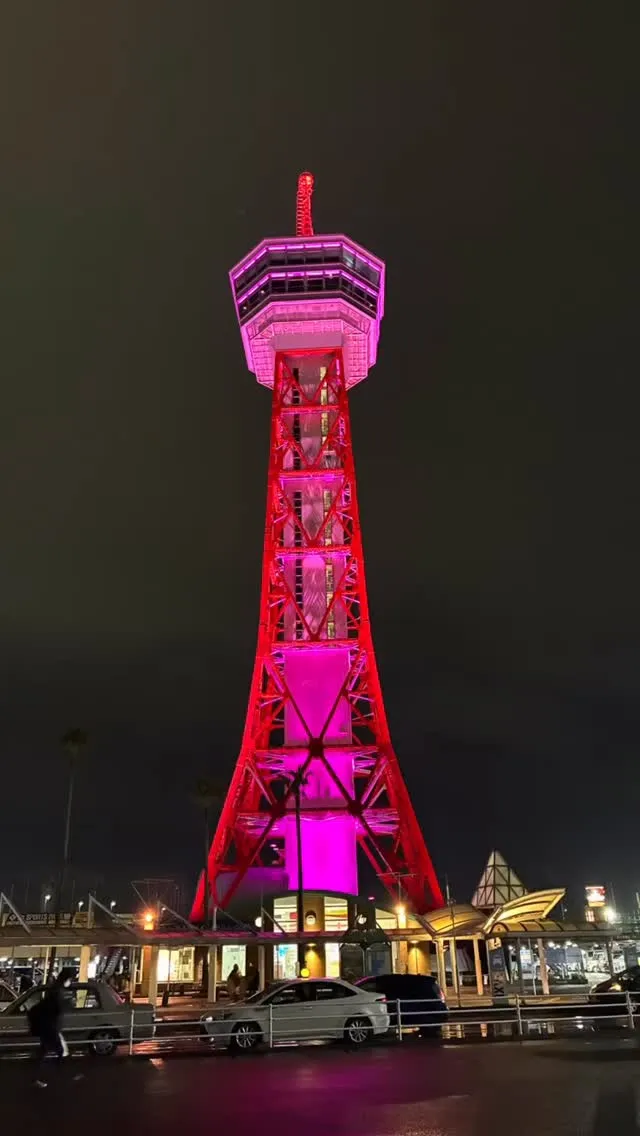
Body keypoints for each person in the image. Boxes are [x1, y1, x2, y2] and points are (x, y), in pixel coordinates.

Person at [28, 968, 73, 1087]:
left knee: (44, 1051)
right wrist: (67, 1004)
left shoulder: (55, 989)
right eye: (70, 980)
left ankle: (37, 1076)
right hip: (50, 1027)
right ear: (67, 979)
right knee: (59, 1051)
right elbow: (55, 1009)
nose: (70, 982)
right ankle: (49, 1076)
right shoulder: (57, 991)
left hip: (48, 1026)